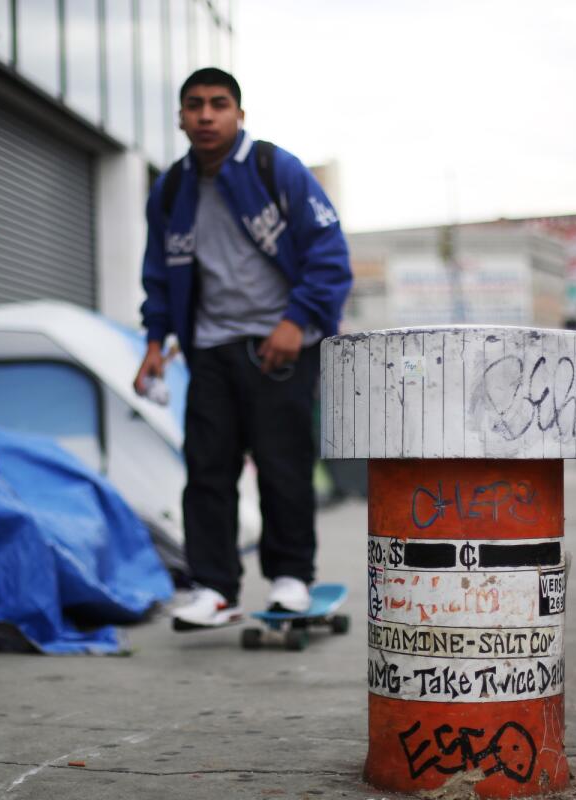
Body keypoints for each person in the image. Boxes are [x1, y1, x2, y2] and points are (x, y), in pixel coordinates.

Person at [133, 67, 352, 629]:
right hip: (209, 347)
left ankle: (290, 578)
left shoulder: (275, 168)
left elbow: (329, 255)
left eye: (219, 104)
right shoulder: (172, 190)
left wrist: (295, 321)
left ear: (239, 114)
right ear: (180, 117)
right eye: (195, 105)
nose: (206, 115)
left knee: (283, 465)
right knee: (207, 470)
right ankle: (214, 588)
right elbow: (158, 275)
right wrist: (155, 342)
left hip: (280, 345)